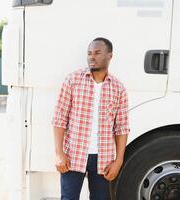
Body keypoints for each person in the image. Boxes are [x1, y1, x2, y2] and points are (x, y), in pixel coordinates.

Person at [52, 37, 130, 200]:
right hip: (73, 154)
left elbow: (121, 127)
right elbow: (59, 118)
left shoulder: (118, 88)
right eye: (89, 53)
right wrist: (59, 153)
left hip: (103, 159)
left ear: (110, 55)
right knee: (68, 198)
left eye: (97, 53)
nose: (91, 57)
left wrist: (119, 161)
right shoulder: (73, 80)